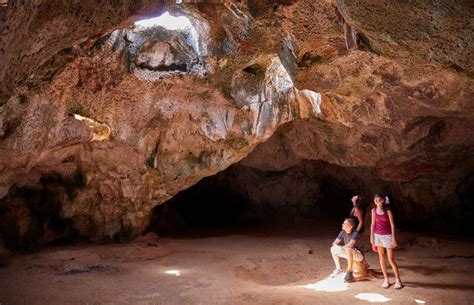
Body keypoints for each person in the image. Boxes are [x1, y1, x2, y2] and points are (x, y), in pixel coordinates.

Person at [370, 194, 403, 289]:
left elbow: (392, 225)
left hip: (387, 236)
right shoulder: (373, 211)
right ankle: (386, 279)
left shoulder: (387, 211)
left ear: (383, 201)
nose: (376, 201)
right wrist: (371, 237)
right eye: (375, 199)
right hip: (378, 236)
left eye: (378, 199)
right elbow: (372, 224)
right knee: (381, 257)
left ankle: (398, 280)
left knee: (391, 258)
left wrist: (393, 238)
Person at [330, 218, 365, 282]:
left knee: (349, 249)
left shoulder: (355, 234)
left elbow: (350, 245)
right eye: (343, 223)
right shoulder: (342, 232)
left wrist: (344, 248)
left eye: (345, 223)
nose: (343, 224)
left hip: (358, 255)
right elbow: (334, 243)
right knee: (333, 249)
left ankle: (349, 272)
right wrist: (340, 247)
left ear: (351, 226)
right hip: (349, 251)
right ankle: (338, 269)